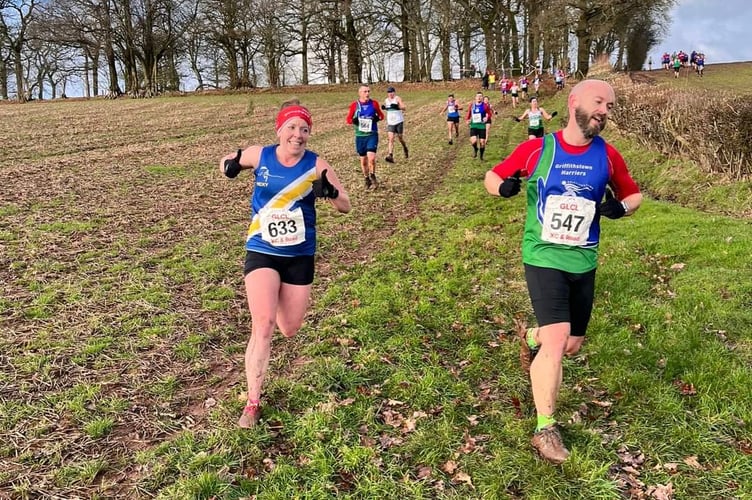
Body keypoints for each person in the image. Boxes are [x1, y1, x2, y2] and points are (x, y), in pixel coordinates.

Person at [483, 79, 642, 464]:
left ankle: (532, 336)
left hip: (583, 260)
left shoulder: (608, 156)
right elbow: (493, 176)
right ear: (574, 103)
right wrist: (502, 188)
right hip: (543, 255)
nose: (605, 110)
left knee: (570, 344)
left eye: (610, 105)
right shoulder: (539, 148)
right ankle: (545, 428)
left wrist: (620, 208)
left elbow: (633, 193)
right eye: (599, 101)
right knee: (558, 340)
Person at [219, 99, 352, 429]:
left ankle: (279, 298)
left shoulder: (316, 164)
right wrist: (230, 166)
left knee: (288, 328)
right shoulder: (260, 155)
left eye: (304, 129)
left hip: (299, 254)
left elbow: (346, 205)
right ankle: (252, 403)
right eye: (292, 127)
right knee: (262, 323)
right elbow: (226, 161)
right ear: (280, 130)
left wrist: (330, 191)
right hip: (262, 247)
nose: (298, 134)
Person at [346, 85, 385, 189]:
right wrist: (354, 121)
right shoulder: (355, 105)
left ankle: (373, 176)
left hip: (372, 134)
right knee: (363, 161)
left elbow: (381, 116)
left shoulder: (374, 103)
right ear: (360, 93)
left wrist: (377, 118)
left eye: (368, 91)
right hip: (360, 136)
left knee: (371, 158)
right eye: (365, 92)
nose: (367, 93)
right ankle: (366, 178)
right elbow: (348, 119)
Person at [381, 86, 409, 164]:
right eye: (389, 92)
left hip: (399, 121)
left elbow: (404, 107)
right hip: (390, 122)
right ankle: (390, 156)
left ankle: (405, 147)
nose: (390, 94)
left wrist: (397, 106)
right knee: (391, 139)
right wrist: (384, 108)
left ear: (394, 92)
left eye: (391, 92)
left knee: (400, 138)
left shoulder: (397, 98)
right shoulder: (386, 100)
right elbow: (388, 108)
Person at [466, 91, 490, 160]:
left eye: (480, 96)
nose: (479, 97)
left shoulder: (485, 106)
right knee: (473, 141)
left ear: (482, 98)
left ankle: (481, 156)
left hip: (482, 126)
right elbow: (469, 113)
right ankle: (476, 149)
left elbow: (489, 114)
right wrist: (467, 120)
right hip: (474, 125)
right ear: (475, 98)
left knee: (482, 142)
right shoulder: (472, 105)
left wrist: (486, 118)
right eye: (478, 96)